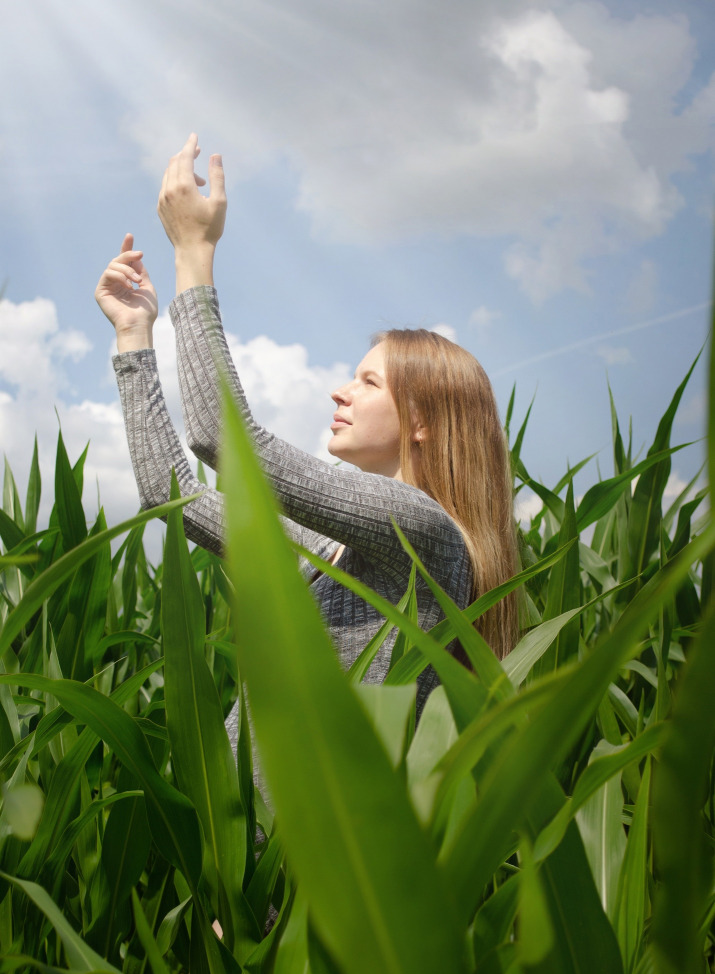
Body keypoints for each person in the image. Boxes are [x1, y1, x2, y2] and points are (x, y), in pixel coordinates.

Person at [95, 134, 519, 756]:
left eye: (367, 381)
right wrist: (135, 337)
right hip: (264, 854)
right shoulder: (335, 550)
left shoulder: (423, 533)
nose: (339, 394)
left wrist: (193, 252)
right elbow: (174, 498)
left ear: (424, 421)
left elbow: (224, 439)